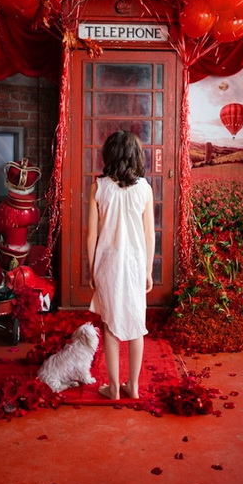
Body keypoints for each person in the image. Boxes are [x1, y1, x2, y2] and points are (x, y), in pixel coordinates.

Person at [87, 130, 155, 400]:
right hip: (136, 263)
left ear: (109, 155)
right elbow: (149, 235)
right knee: (137, 323)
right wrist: (148, 270)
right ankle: (133, 386)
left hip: (108, 262)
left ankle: (114, 388)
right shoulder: (145, 188)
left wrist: (92, 269)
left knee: (110, 323)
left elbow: (91, 234)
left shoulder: (99, 187)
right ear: (136, 156)